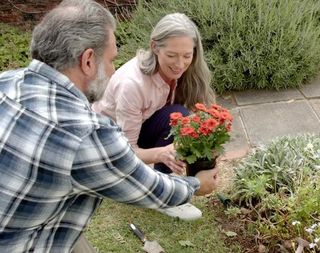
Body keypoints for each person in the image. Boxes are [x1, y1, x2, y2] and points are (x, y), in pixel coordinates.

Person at [0, 1, 219, 252]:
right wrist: (196, 185)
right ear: (88, 61)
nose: (114, 69)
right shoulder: (86, 134)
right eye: (112, 59)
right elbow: (146, 187)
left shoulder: (6, 82)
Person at [92, 13, 216, 220]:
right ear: (155, 47)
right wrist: (160, 154)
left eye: (187, 55)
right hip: (106, 146)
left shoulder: (182, 70)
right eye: (172, 55)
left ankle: (164, 183)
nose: (180, 64)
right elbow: (126, 152)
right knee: (178, 118)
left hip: (138, 127)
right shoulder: (132, 85)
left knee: (183, 119)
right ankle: (163, 195)